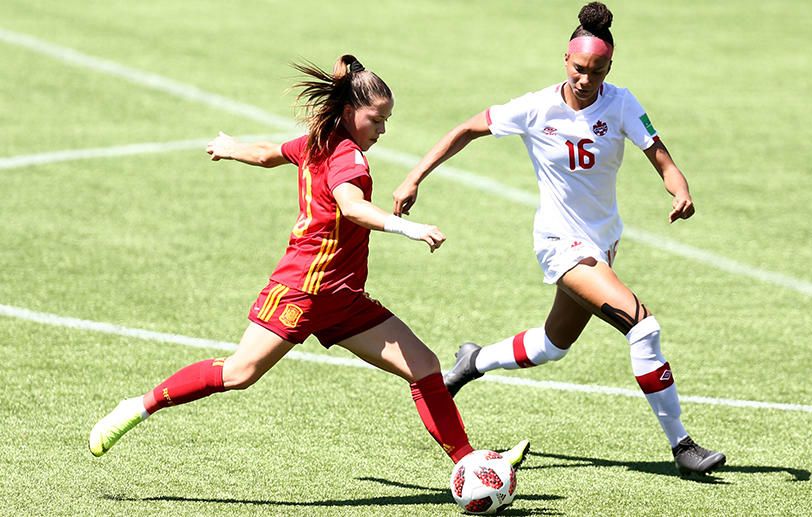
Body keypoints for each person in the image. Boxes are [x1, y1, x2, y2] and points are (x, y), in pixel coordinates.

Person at [89, 55, 529, 470]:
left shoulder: (319, 141)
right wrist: (409, 229)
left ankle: (470, 463)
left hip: (342, 299)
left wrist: (230, 146)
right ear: (351, 111)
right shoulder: (347, 157)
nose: (382, 129)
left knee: (424, 366)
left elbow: (266, 154)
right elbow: (352, 206)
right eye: (376, 120)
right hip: (302, 289)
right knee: (239, 373)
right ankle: (138, 407)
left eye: (386, 121)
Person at [392, 3, 725, 476]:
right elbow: (466, 129)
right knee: (643, 328)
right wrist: (413, 178)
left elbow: (663, 159)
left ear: (610, 66)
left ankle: (472, 361)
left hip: (603, 243)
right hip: (560, 244)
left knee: (553, 344)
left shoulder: (624, 103)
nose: (585, 78)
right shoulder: (535, 107)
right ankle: (684, 447)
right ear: (564, 60)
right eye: (578, 68)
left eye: (597, 70)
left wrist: (681, 189)